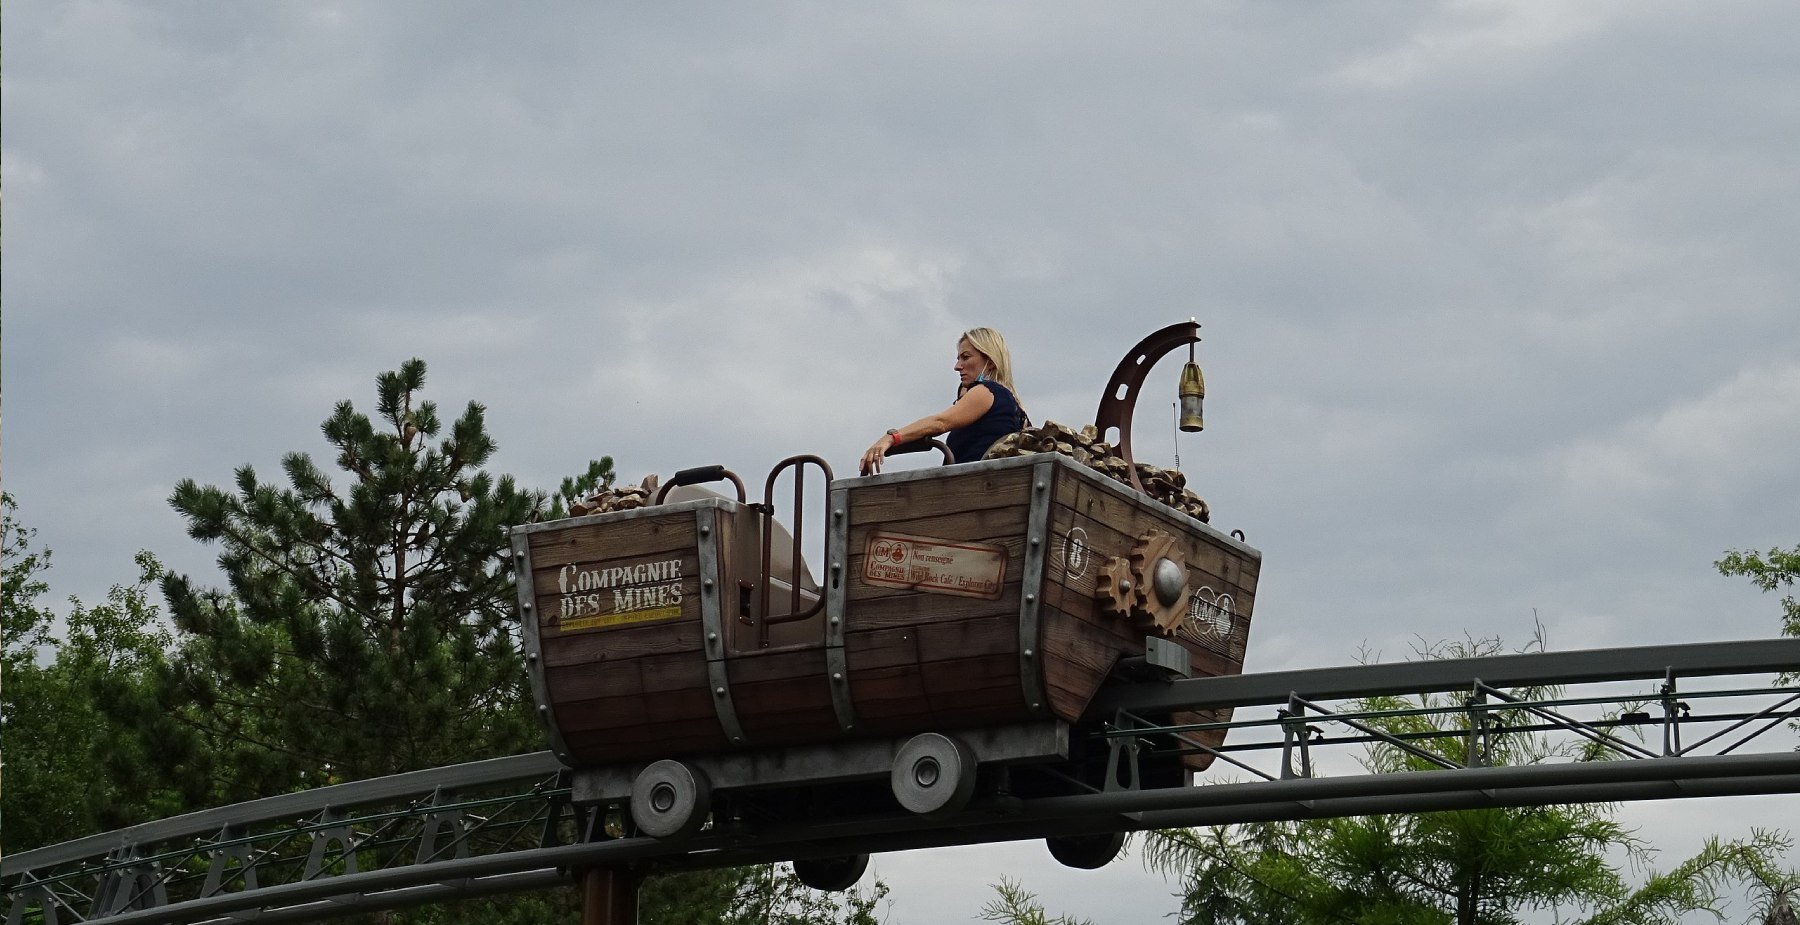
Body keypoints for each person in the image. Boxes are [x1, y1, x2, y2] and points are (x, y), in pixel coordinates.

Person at [859, 327, 1027, 475]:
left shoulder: (987, 391)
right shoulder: (1014, 408)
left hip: (975, 490)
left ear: (989, 362)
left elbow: (940, 422)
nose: (957, 366)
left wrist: (891, 438)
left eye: (965, 357)